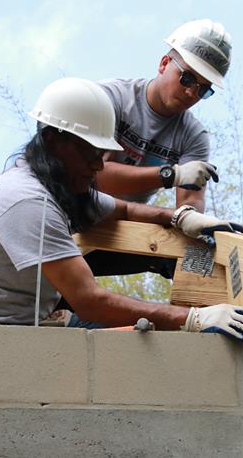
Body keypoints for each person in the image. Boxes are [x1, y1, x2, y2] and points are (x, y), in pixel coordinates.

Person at [0, 78, 243, 342]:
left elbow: (117, 208)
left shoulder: (53, 183)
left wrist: (177, 217)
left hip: (15, 321)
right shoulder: (28, 201)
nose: (97, 166)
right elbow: (89, 299)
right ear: (54, 141)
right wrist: (192, 318)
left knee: (135, 338)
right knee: (133, 346)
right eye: (92, 153)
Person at [90, 19, 233, 277]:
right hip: (72, 217)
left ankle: (202, 311)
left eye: (204, 90)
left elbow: (189, 210)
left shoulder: (193, 136)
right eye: (187, 78)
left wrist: (194, 221)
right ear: (164, 64)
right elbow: (95, 177)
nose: (191, 92)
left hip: (123, 227)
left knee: (195, 249)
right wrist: (172, 175)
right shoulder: (111, 99)